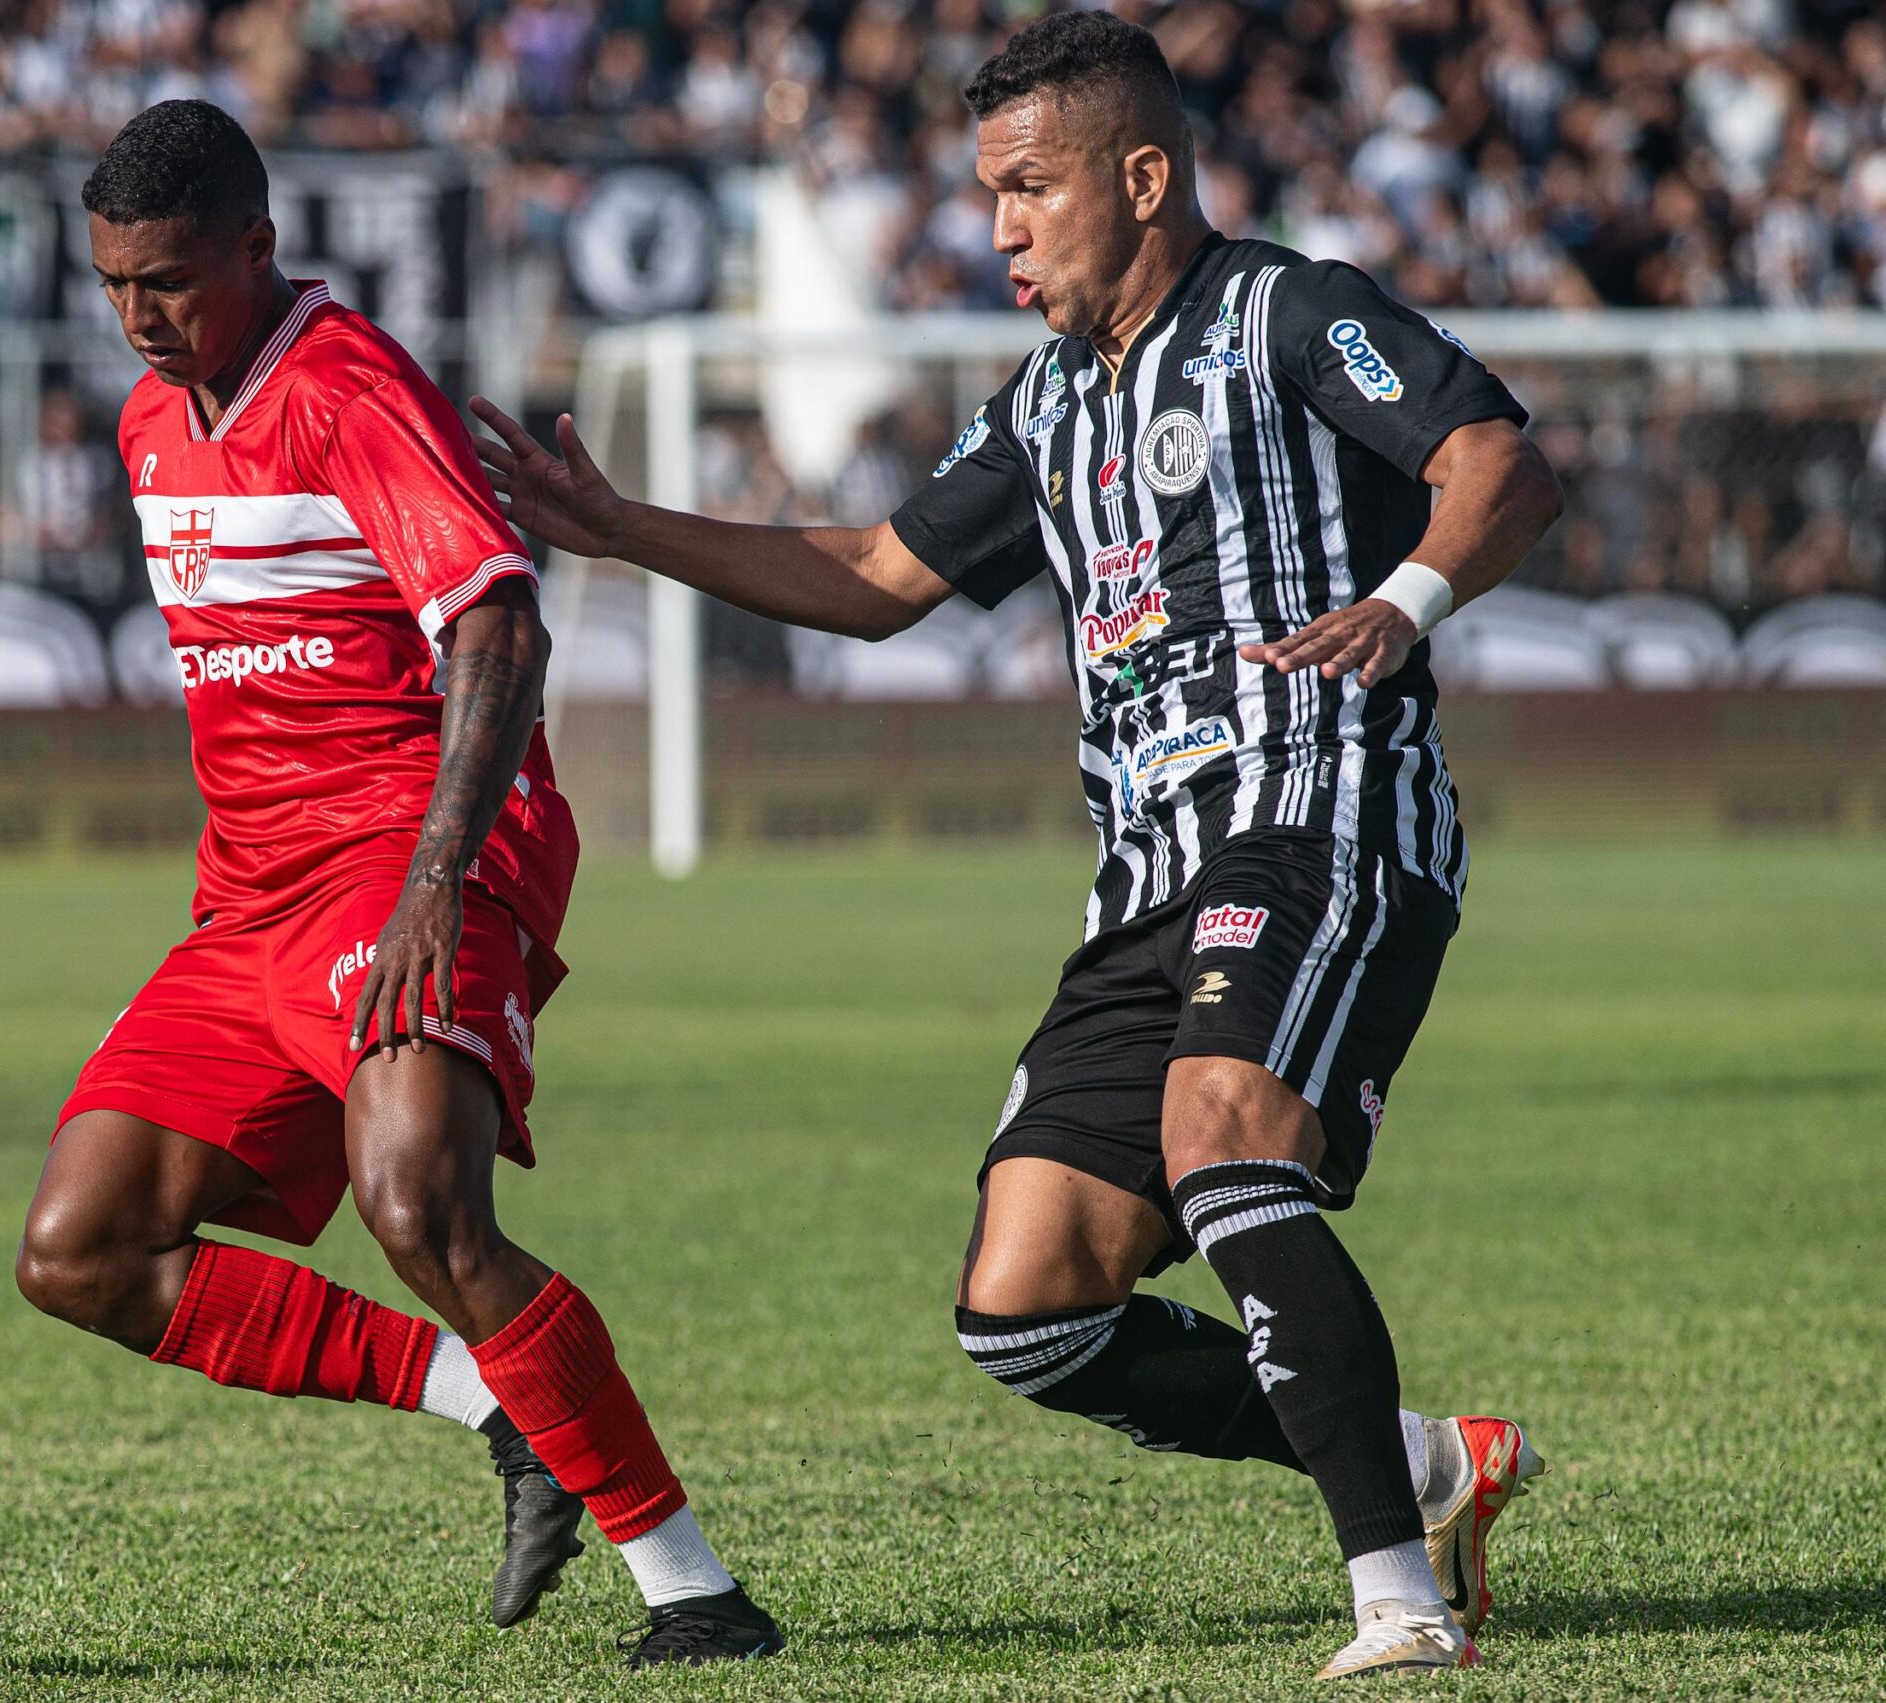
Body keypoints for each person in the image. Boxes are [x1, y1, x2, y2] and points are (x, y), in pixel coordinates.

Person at [472, 13, 1563, 1681]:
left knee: (1221, 1133)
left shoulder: (1288, 313)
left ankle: (1400, 1603)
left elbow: (1498, 458)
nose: (998, 227)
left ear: (1143, 178)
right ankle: (1417, 1459)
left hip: (1316, 804)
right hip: (1148, 879)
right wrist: (621, 528)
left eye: (1029, 187)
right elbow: (877, 576)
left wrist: (1400, 605)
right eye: (987, 192)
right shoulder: (1047, 405)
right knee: (1032, 1302)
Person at [9, 101, 783, 1669]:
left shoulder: (351, 387)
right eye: (111, 286)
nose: (138, 318)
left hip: (415, 839)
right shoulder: (152, 423)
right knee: (79, 1250)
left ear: (258, 245)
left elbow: (500, 632)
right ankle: (489, 1393)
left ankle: (694, 1590)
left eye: (166, 281)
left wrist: (434, 880)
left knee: (420, 1191)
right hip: (251, 899)